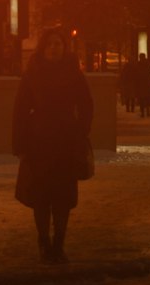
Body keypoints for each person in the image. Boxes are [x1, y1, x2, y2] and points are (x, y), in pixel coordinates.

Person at [12, 27, 94, 264]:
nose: (54, 48)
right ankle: (43, 240)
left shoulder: (74, 74)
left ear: (64, 47)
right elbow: (20, 111)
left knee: (62, 198)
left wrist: (80, 131)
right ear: (43, 48)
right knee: (41, 197)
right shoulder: (32, 74)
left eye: (58, 44)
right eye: (50, 44)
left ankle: (59, 242)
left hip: (66, 143)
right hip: (39, 144)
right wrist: (21, 143)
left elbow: (87, 104)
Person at [134, 51, 150, 117]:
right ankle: (148, 112)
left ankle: (143, 112)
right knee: (147, 98)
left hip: (141, 84)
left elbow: (136, 75)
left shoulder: (138, 65)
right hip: (147, 84)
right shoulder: (148, 64)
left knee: (141, 99)